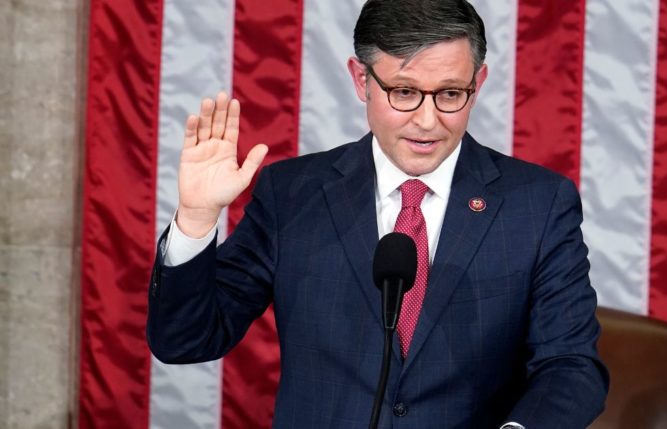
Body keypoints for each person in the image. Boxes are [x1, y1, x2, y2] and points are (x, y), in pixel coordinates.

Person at [147, 0, 609, 427]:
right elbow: (187, 340)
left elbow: (570, 364)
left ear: (479, 83)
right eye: (404, 91)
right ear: (360, 79)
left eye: (450, 94)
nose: (428, 121)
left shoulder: (538, 204)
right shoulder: (291, 195)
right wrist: (196, 219)